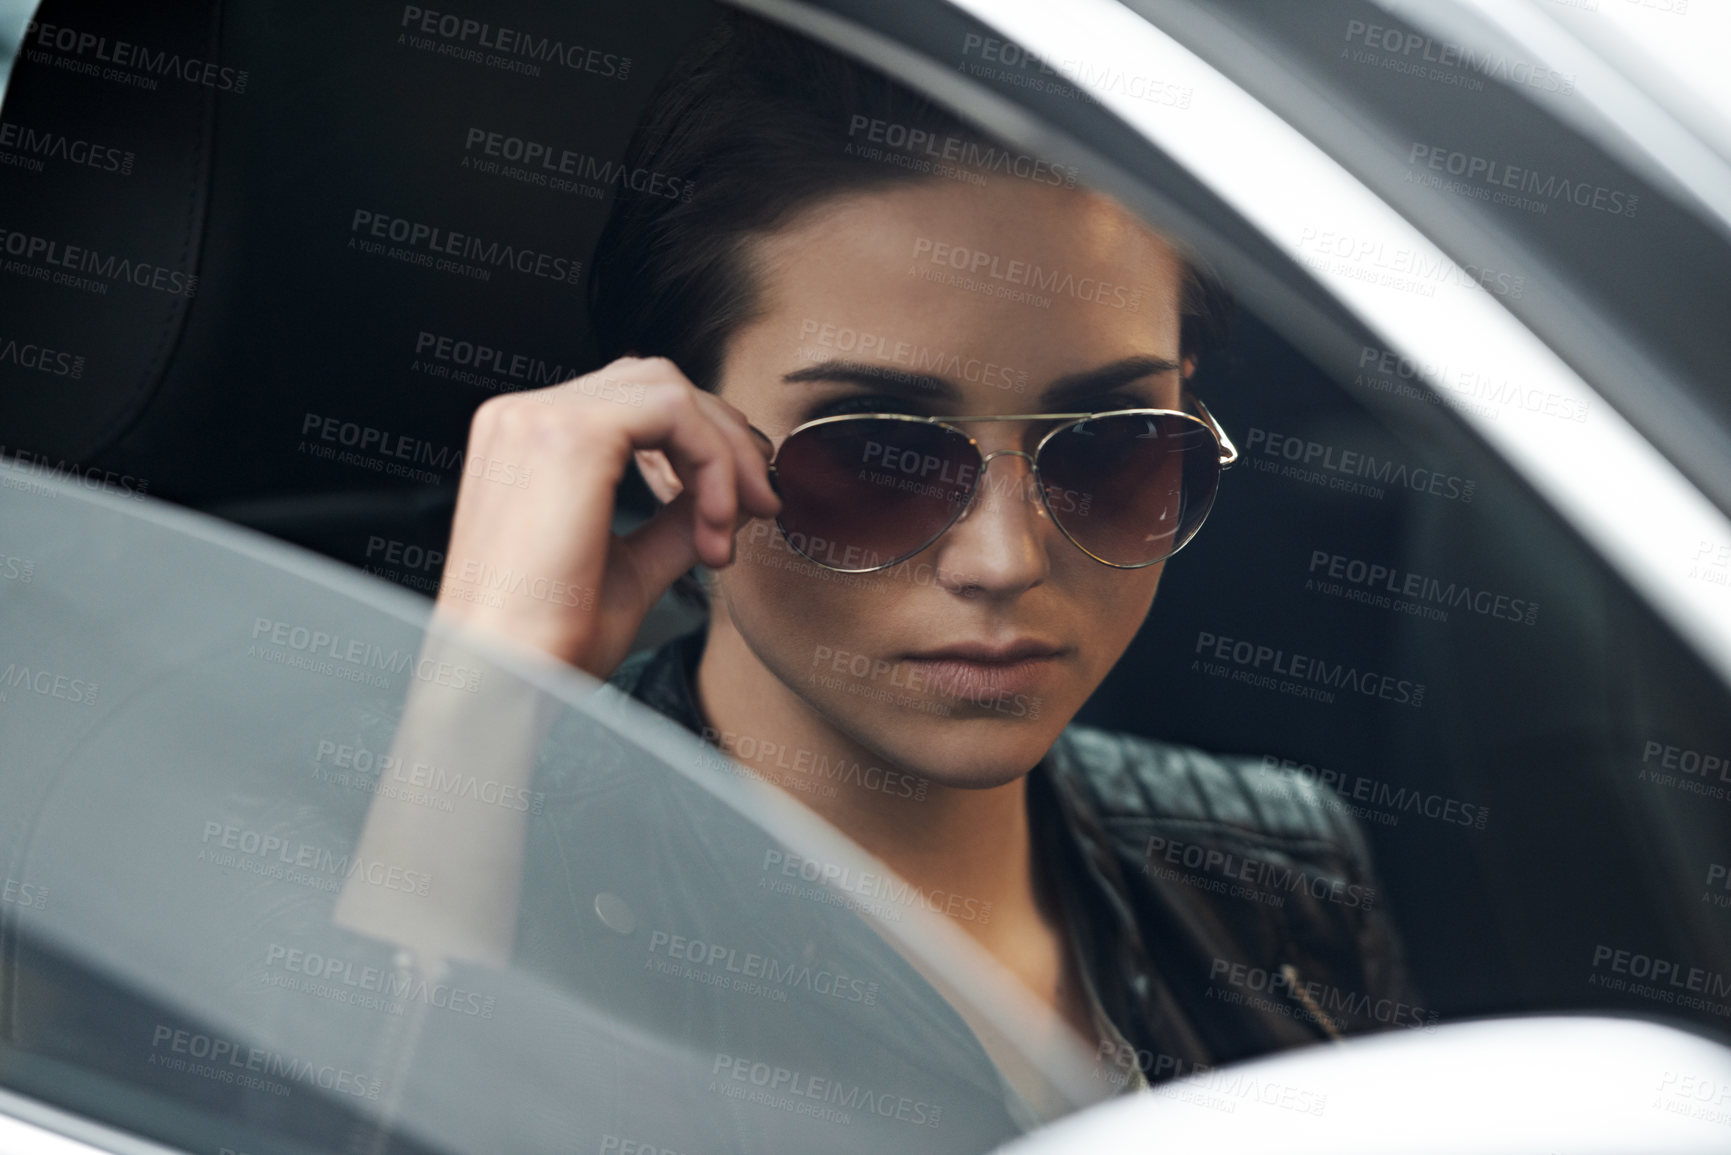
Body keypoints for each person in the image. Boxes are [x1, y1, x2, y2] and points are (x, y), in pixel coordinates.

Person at [338, 8, 1419, 1127]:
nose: (1003, 559)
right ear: (668, 446)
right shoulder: (455, 869)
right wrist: (474, 704)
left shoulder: (1277, 869)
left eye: (1110, 445)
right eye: (876, 457)